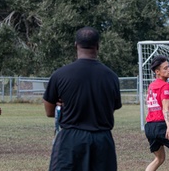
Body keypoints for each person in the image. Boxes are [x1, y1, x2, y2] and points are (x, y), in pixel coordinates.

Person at [43, 26, 122, 171]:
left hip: (70, 140)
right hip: (102, 140)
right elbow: (112, 108)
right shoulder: (111, 77)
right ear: (98, 46)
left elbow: (49, 112)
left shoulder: (60, 74)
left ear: (75, 45)